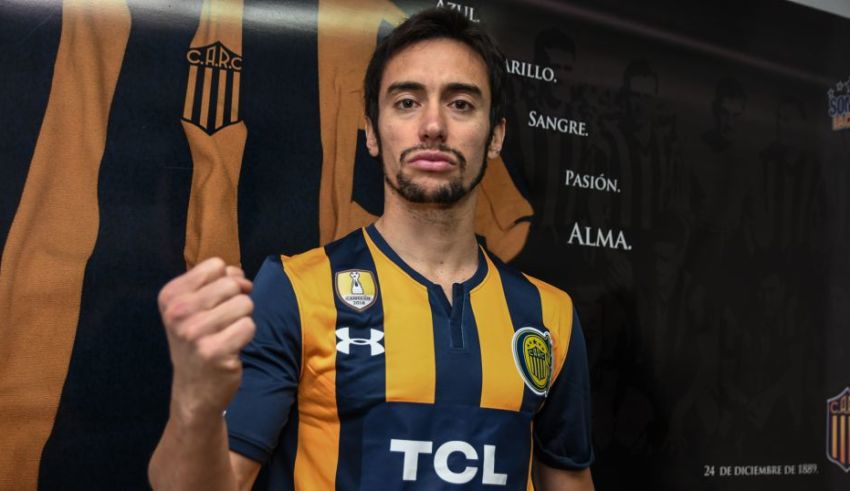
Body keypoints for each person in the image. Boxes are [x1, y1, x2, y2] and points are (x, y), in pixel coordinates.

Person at [148, 8, 594, 490]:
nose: (433, 126)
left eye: (461, 104)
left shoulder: (548, 316)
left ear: (496, 136)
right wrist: (193, 400)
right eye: (407, 102)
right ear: (372, 132)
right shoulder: (297, 292)